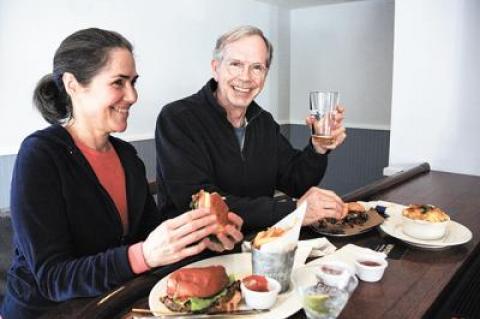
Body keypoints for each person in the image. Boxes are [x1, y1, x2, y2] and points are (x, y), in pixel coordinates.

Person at [0, 28, 243, 319]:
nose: (132, 95)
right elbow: (54, 279)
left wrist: (200, 237)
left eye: (133, 82)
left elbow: (148, 238)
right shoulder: (40, 156)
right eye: (118, 83)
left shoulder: (127, 158)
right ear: (72, 84)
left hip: (114, 302)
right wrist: (143, 255)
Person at [155, 25, 348, 233]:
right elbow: (204, 205)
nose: (246, 77)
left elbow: (296, 182)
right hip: (196, 251)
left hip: (257, 244)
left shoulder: (263, 122)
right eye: (236, 64)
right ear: (215, 68)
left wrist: (317, 148)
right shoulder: (177, 118)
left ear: (265, 74)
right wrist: (293, 210)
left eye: (257, 67)